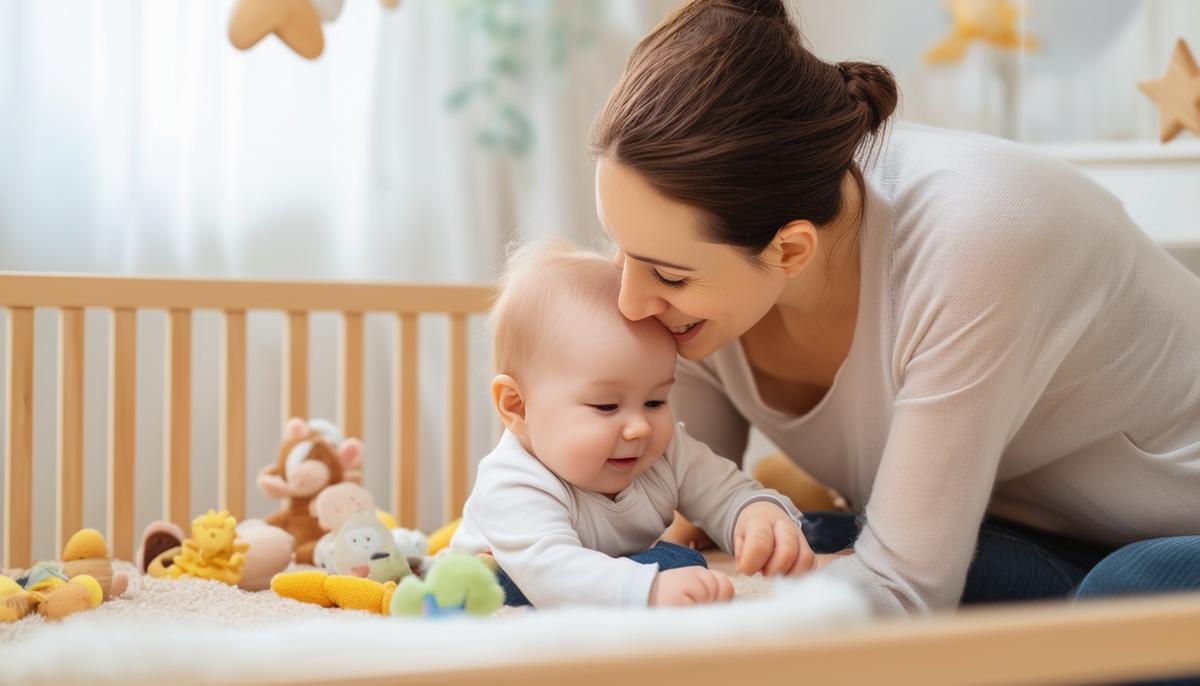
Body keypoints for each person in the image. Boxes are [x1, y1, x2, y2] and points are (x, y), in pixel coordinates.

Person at [590, 0, 1200, 617]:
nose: (630, 302)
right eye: (620, 250)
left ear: (790, 250)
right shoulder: (689, 276)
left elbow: (902, 588)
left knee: (1128, 594)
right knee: (801, 543)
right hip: (1025, 535)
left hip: (1170, 532)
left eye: (668, 274)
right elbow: (659, 515)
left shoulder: (977, 238)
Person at [450, 241, 811, 608]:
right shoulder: (512, 482)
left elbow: (723, 489)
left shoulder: (662, 451)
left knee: (685, 563)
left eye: (655, 401)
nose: (639, 427)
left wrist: (754, 513)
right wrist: (650, 591)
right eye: (606, 406)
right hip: (508, 573)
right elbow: (553, 572)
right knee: (499, 587)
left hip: (612, 564)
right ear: (518, 406)